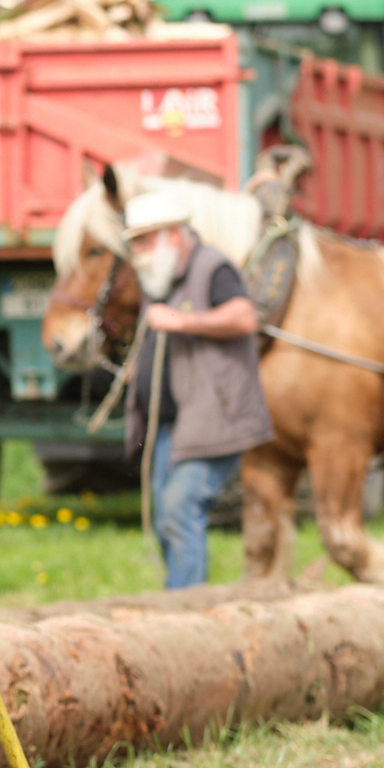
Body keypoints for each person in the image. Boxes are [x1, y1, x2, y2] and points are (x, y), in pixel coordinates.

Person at [121, 189, 273, 590]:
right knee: (165, 517)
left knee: (180, 506)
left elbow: (243, 317)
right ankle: (179, 598)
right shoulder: (159, 277)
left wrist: (183, 322)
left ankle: (185, 607)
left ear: (173, 235)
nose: (137, 252)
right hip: (175, 426)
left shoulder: (212, 267)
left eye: (143, 241)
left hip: (215, 420)